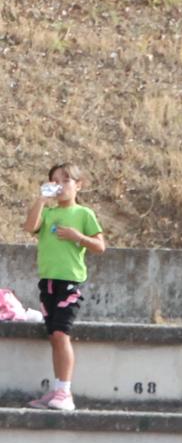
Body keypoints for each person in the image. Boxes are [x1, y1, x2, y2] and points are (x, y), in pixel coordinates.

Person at [22, 163, 107, 412]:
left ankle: (65, 393)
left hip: (69, 284)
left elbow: (100, 246)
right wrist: (41, 199)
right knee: (54, 337)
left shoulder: (84, 214)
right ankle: (58, 388)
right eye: (54, 181)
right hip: (47, 283)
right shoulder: (48, 213)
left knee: (61, 334)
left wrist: (78, 237)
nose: (60, 186)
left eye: (66, 180)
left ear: (78, 185)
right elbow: (29, 227)